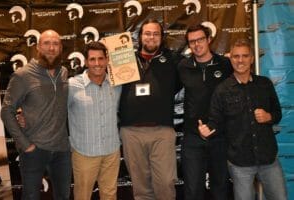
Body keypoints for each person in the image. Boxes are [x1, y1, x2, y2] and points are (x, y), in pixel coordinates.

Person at [198, 38, 287, 200]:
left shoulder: (265, 84)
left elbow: (277, 113)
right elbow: (215, 122)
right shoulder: (222, 90)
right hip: (240, 163)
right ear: (230, 59)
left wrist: (269, 116)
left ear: (252, 59)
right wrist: (207, 130)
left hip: (268, 160)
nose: (240, 60)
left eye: (245, 56)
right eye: (236, 56)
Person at [0, 30, 71, 200]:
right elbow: (6, 111)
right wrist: (26, 145)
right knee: (30, 197)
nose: (51, 48)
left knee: (63, 196)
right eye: (47, 43)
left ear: (61, 48)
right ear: (38, 47)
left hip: (62, 149)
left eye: (55, 44)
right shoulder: (23, 75)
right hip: (34, 151)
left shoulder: (64, 72)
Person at [119, 18, 181, 200]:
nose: (151, 37)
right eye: (147, 33)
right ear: (140, 36)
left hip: (162, 131)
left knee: (165, 183)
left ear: (162, 37)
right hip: (131, 132)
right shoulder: (124, 60)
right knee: (141, 187)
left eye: (156, 34)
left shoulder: (173, 60)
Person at [177, 24, 233, 200]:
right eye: (192, 41)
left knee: (220, 188)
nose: (197, 44)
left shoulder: (225, 65)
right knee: (193, 190)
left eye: (200, 39)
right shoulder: (183, 67)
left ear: (209, 40)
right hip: (193, 138)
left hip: (221, 137)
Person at [68, 41, 121, 200]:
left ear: (107, 60)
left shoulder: (117, 84)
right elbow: (55, 113)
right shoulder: (72, 85)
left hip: (111, 152)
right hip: (84, 154)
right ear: (85, 62)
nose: (97, 63)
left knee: (110, 195)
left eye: (100, 58)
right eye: (92, 59)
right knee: (82, 196)